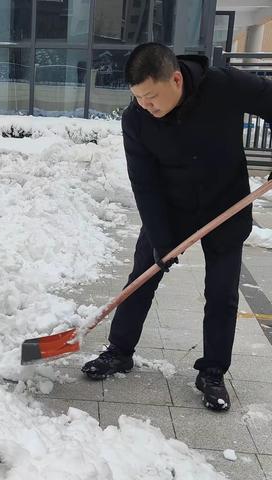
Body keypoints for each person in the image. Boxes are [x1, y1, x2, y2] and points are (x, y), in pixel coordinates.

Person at [81, 43, 272, 411]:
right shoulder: (136, 120)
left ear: (176, 78)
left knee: (222, 292)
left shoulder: (225, 86)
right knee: (144, 274)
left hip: (226, 205)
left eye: (152, 96)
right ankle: (119, 351)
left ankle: (213, 371)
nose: (146, 105)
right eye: (139, 98)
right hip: (170, 208)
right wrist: (161, 240)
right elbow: (144, 183)